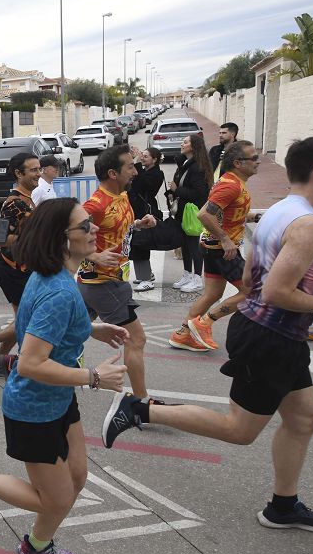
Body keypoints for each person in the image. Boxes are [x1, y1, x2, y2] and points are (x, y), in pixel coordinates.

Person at [102, 134, 313, 534]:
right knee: (239, 429)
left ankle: (283, 506)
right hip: (271, 336)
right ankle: (137, 410)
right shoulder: (308, 225)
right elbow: (277, 291)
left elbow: (250, 276)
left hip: (275, 333)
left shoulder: (281, 211)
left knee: (303, 419)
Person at [0, 198, 128, 554]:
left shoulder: (54, 275)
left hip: (57, 400)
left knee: (76, 480)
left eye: (90, 224)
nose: (94, 231)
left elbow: (45, 326)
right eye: (84, 227)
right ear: (61, 238)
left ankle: (37, 546)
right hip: (33, 408)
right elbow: (31, 362)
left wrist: (91, 328)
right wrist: (94, 377)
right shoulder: (58, 291)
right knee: (56, 500)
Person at [78, 146, 158, 403]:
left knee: (69, 330)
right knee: (136, 339)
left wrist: (137, 224)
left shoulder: (122, 196)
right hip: (105, 283)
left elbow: (113, 229)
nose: (135, 171)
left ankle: (25, 365)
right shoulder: (95, 204)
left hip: (101, 282)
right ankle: (140, 403)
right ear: (113, 173)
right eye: (130, 167)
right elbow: (60, 235)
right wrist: (93, 256)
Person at [170, 141, 262, 352]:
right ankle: (203, 325)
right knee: (252, 292)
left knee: (212, 294)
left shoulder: (233, 182)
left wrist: (255, 217)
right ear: (238, 163)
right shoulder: (230, 184)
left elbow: (225, 213)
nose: (258, 162)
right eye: (253, 158)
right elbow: (204, 214)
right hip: (221, 249)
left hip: (214, 246)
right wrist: (224, 238)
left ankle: (183, 334)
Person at [0, 153, 40, 377]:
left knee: (23, 320)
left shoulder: (28, 198)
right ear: (19, 174)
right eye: (33, 170)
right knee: (27, 322)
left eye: (39, 169)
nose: (38, 174)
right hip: (12, 270)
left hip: (24, 268)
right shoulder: (13, 203)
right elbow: (0, 239)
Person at [167, 134, 213, 293]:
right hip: (182, 212)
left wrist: (176, 189)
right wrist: (172, 193)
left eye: (185, 142)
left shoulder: (197, 167)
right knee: (185, 245)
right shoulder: (184, 164)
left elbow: (199, 193)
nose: (182, 143)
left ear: (194, 146)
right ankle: (187, 274)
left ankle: (198, 279)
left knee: (194, 246)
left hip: (192, 213)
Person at [128, 148, 166, 292]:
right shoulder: (145, 171)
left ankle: (146, 279)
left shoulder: (157, 173)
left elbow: (140, 185)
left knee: (140, 244)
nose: (142, 158)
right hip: (137, 210)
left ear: (154, 159)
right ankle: (145, 274)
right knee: (137, 244)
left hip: (144, 211)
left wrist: (136, 164)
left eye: (145, 156)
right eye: (141, 156)